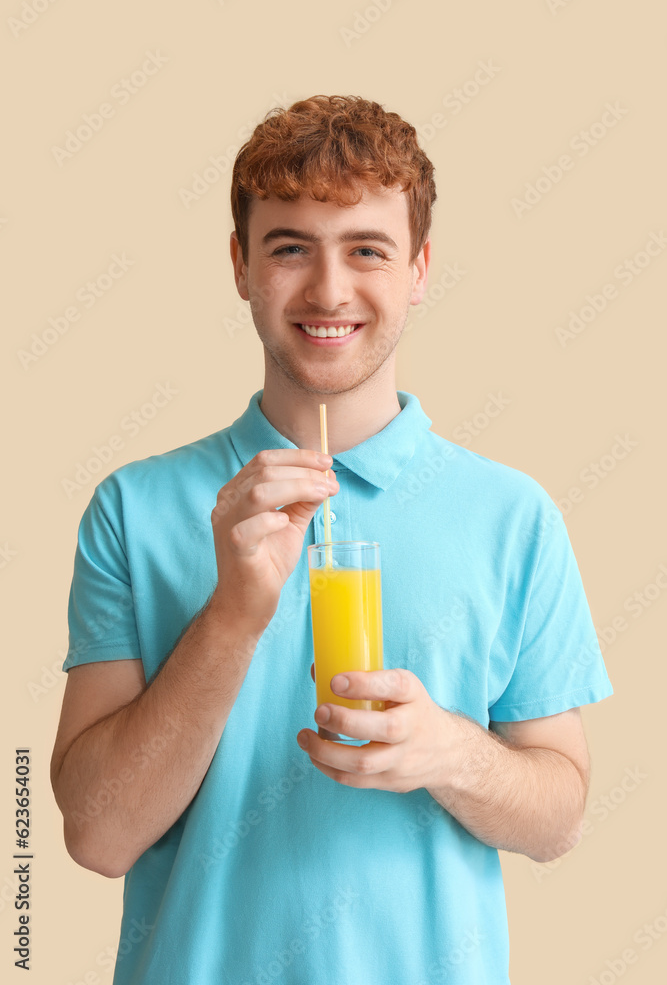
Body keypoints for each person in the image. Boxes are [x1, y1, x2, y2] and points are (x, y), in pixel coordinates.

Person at [51, 94, 613, 985]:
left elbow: (558, 820)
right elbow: (98, 836)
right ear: (240, 265)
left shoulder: (513, 515)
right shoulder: (133, 507)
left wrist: (451, 753)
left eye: (366, 250)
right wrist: (233, 616)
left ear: (419, 268)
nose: (328, 291)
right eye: (288, 248)